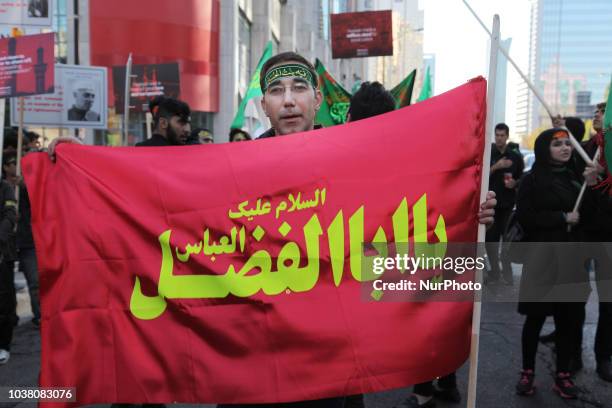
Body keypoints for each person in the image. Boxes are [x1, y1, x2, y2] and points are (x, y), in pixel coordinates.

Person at [49, 52, 496, 407]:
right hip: (252, 367)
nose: (288, 99)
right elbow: (152, 199)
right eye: (276, 90)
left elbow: (402, 231)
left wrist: (463, 213)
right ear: (262, 104)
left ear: (317, 99)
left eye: (299, 87)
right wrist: (73, 169)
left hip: (333, 369)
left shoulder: (356, 164)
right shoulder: (226, 170)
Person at [514, 128, 592, 399]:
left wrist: (591, 186)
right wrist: (561, 218)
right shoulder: (532, 180)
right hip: (543, 261)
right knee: (534, 320)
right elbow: (525, 217)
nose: (565, 148)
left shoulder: (575, 179)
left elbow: (588, 213)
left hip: (571, 261)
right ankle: (527, 371)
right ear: (544, 148)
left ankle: (563, 374)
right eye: (557, 144)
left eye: (567, 144)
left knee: (568, 320)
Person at [486, 123, 523, 285]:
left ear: (507, 136)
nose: (499, 138)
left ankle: (507, 275)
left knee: (506, 242)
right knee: (490, 241)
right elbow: (480, 176)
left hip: (508, 205)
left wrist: (515, 183)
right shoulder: (488, 153)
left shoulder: (514, 156)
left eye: (502, 135)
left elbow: (523, 176)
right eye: (497, 135)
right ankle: (495, 272)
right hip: (491, 206)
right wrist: (496, 166)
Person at [0, 177, 18, 364]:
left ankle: (3, 345)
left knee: (4, 300)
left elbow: (11, 214)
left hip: (2, 253)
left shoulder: (5, 187)